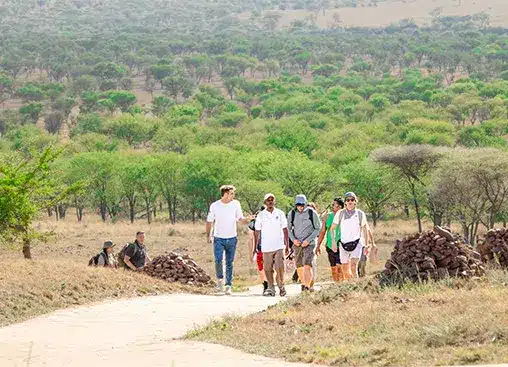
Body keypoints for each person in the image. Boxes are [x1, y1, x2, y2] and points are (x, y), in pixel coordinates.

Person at [206, 185, 246, 295]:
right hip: (218, 237)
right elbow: (209, 221)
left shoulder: (236, 204)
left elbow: (240, 219)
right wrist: (208, 235)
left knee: (229, 262)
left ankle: (228, 285)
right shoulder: (215, 205)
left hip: (232, 237)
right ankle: (220, 280)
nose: (233, 196)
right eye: (231, 193)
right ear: (226, 194)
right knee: (218, 260)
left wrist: (247, 219)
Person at [330, 192, 371, 280]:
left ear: (355, 201)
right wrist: (333, 242)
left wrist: (366, 245)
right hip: (343, 243)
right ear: (345, 202)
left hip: (356, 243)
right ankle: (349, 284)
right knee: (345, 267)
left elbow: (365, 229)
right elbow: (332, 229)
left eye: (352, 200)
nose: (350, 202)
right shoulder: (340, 213)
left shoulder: (360, 214)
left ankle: (355, 286)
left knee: (353, 266)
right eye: (348, 200)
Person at [254, 193, 289, 297]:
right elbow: (257, 231)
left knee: (280, 267)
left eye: (272, 200)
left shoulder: (280, 213)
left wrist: (287, 244)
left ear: (274, 201)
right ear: (265, 202)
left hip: (278, 245)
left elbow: (285, 229)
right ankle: (270, 288)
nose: (270, 201)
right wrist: (256, 246)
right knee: (268, 268)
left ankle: (281, 286)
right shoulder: (261, 215)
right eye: (268, 200)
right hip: (266, 246)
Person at [287, 194, 321, 292]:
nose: (300, 207)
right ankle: (303, 284)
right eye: (298, 205)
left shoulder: (311, 213)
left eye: (302, 205)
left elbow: (317, 228)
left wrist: (308, 240)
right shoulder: (292, 214)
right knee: (299, 266)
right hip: (297, 244)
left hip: (309, 244)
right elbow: (289, 229)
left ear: (305, 204)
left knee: (307, 265)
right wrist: (293, 240)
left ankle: (307, 287)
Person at [317, 197, 345, 282]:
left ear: (340, 206)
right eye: (332, 205)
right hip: (330, 245)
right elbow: (322, 232)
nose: (332, 206)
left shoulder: (344, 216)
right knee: (333, 268)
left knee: (339, 266)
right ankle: (336, 284)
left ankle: (341, 284)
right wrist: (318, 245)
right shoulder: (328, 216)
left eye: (334, 205)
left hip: (341, 244)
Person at [248, 206, 267, 293]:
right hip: (262, 248)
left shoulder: (254, 222)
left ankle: (266, 284)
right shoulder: (254, 223)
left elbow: (250, 239)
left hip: (263, 248)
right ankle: (268, 284)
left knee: (262, 268)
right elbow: (251, 238)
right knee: (265, 267)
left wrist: (251, 253)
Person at [307, 202, 319, 290]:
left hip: (312, 244)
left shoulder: (316, 220)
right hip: (302, 245)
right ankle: (305, 284)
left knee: (312, 263)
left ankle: (311, 284)